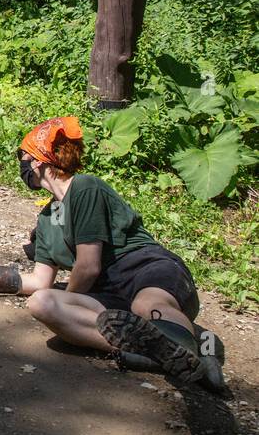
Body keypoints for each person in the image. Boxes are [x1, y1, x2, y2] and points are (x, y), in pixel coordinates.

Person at [14, 117, 224, 390]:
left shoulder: (85, 188)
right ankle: (162, 352)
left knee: (145, 305)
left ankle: (183, 348)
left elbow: (88, 267)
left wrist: (72, 304)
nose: (21, 166)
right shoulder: (46, 219)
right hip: (108, 294)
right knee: (42, 303)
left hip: (145, 269)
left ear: (39, 161)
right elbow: (39, 282)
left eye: (23, 157)